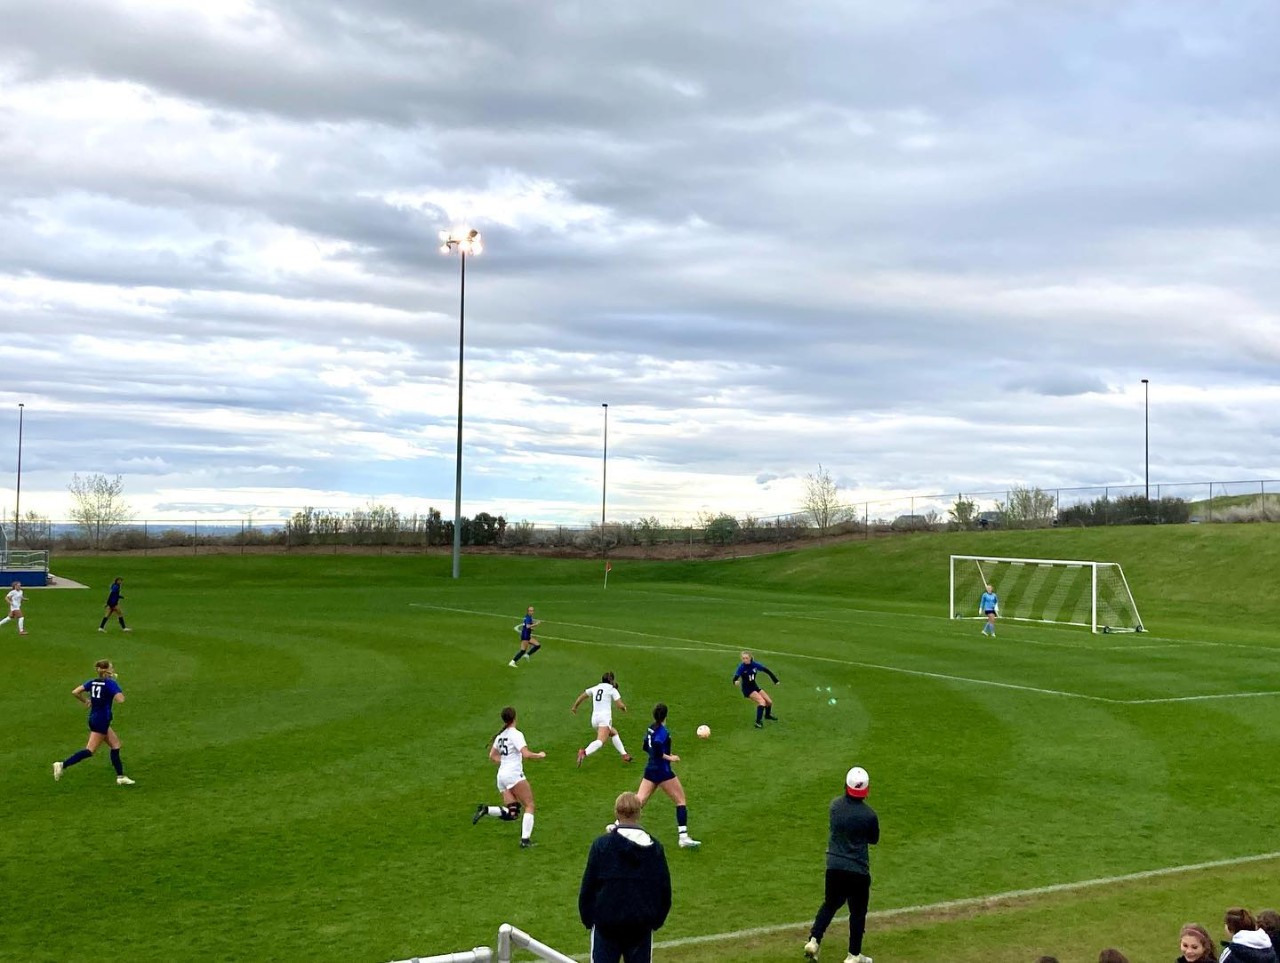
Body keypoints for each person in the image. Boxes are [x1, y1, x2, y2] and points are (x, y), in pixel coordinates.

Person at [578, 791, 672, 963]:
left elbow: (588, 886)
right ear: (639, 813)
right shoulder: (654, 848)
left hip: (607, 925)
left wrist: (588, 918)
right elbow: (663, 889)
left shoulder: (602, 845)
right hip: (640, 925)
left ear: (616, 813)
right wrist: (655, 920)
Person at [803, 766, 879, 963]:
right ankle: (853, 955)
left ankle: (814, 940)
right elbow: (874, 839)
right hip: (858, 871)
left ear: (846, 786)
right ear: (866, 790)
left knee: (830, 904)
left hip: (834, 866)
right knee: (857, 913)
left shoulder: (835, 806)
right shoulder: (869, 815)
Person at [53, 659, 135, 786]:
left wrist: (86, 701)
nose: (113, 670)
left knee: (115, 745)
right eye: (111, 668)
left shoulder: (93, 682)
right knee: (90, 750)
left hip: (95, 717)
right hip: (102, 720)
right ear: (107, 670)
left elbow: (75, 692)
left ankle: (120, 776)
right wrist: (114, 687)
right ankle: (62, 765)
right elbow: (121, 700)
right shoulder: (110, 684)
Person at [471, 706, 545, 848]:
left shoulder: (500, 736)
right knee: (529, 805)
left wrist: (505, 761)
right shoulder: (515, 734)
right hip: (513, 775)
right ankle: (525, 841)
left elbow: (492, 756)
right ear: (515, 717)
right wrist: (539, 755)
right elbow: (526, 754)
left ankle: (486, 810)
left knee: (513, 813)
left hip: (501, 777)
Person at [636, 703, 699, 849]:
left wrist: (656, 757)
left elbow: (646, 746)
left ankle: (618, 825)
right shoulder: (663, 731)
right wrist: (671, 758)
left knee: (640, 800)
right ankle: (683, 837)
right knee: (680, 800)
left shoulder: (651, 728)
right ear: (665, 716)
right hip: (663, 771)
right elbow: (657, 748)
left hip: (650, 769)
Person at [572, 672, 632, 767]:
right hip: (604, 719)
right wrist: (624, 708)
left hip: (594, 719)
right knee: (600, 741)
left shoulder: (596, 687)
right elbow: (619, 704)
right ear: (611, 680)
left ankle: (624, 755)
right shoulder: (612, 690)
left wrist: (575, 707)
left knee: (613, 733)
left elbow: (583, 696)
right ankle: (584, 752)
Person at [732, 651, 779, 729]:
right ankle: (758, 722)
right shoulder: (741, 667)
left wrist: (775, 680)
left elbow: (767, 670)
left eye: (746, 658)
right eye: (743, 658)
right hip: (747, 689)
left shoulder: (755, 665)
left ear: (750, 658)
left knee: (769, 702)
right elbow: (735, 678)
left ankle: (767, 715)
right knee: (762, 702)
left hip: (754, 687)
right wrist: (735, 682)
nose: (745, 660)